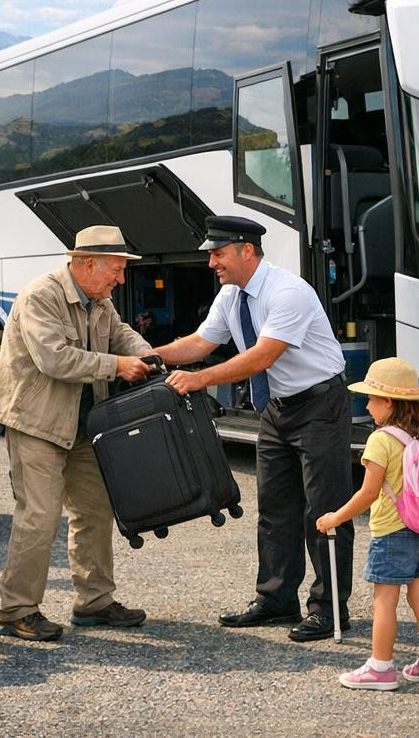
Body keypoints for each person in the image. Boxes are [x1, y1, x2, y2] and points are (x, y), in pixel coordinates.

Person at [153, 215, 351, 643]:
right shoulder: (231, 296)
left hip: (319, 405)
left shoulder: (288, 292)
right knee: (275, 510)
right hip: (278, 408)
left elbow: (262, 357)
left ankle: (330, 610)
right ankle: (277, 599)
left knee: (324, 510)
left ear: (247, 250)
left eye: (218, 254)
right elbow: (199, 345)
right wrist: (150, 358)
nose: (211, 263)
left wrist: (199, 378)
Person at [0, 225, 153, 641]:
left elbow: (120, 334)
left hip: (83, 424)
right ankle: (16, 610)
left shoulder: (100, 299)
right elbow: (54, 359)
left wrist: (146, 354)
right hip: (36, 424)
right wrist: (116, 366)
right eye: (115, 270)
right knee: (39, 519)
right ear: (85, 264)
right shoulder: (40, 296)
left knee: (95, 512)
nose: (120, 279)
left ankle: (94, 602)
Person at [317, 358, 419, 690]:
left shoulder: (381, 439)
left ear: (388, 402)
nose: (367, 405)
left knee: (384, 600)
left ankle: (380, 668)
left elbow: (369, 492)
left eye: (371, 399)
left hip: (393, 531)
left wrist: (336, 517)